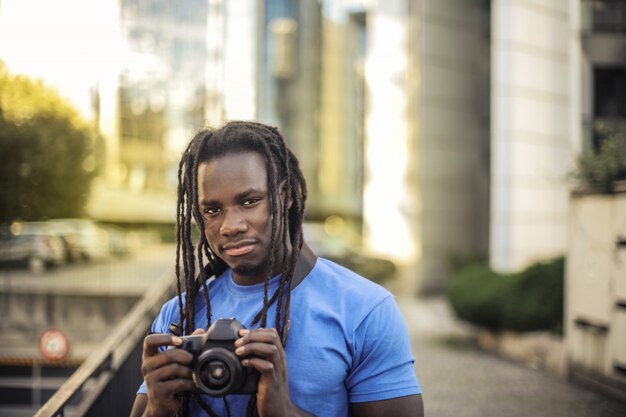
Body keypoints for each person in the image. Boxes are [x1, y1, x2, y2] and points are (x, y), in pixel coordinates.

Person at [130, 121, 423, 417]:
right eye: (212, 210)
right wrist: (157, 410)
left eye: (250, 201)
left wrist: (283, 411)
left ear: (285, 195)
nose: (231, 226)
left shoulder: (365, 310)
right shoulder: (178, 317)